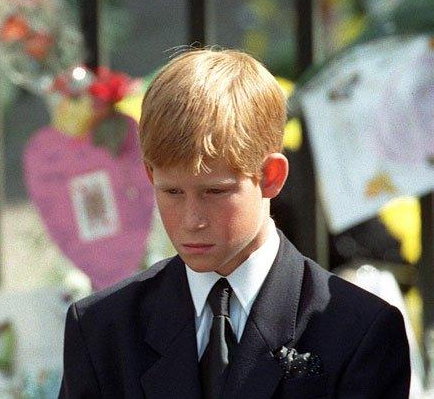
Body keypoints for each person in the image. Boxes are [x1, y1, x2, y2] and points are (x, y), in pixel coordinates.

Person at [59, 49, 409, 398]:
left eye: (215, 191)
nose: (191, 220)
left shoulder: (360, 330)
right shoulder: (101, 330)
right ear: (150, 175)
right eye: (172, 191)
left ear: (270, 176)